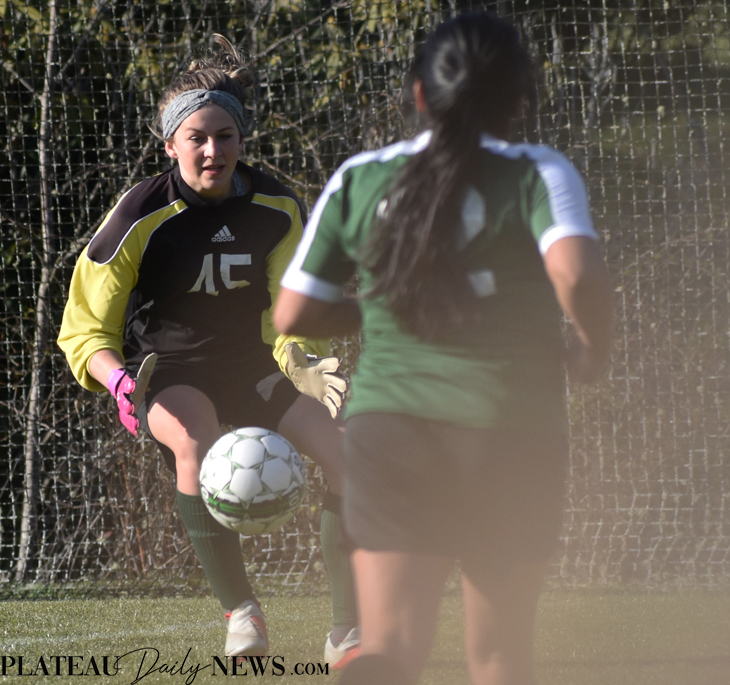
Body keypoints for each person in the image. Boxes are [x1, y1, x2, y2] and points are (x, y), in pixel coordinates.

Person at [273, 11, 613, 685]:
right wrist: (592, 351)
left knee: (391, 649)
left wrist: (375, 304)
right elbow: (576, 276)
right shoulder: (537, 171)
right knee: (498, 656)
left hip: (389, 429)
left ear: (420, 93)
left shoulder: (362, 176)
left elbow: (292, 312)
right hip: (510, 427)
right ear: (518, 99)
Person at [57, 35, 360, 665]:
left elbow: (291, 312)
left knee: (348, 453)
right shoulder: (139, 215)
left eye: (225, 136)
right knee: (195, 442)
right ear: (170, 145)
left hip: (252, 367)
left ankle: (348, 632)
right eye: (196, 137)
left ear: (242, 140)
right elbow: (84, 327)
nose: (212, 150)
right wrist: (117, 381)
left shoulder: (276, 207)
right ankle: (243, 615)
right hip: (167, 370)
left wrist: (299, 359)